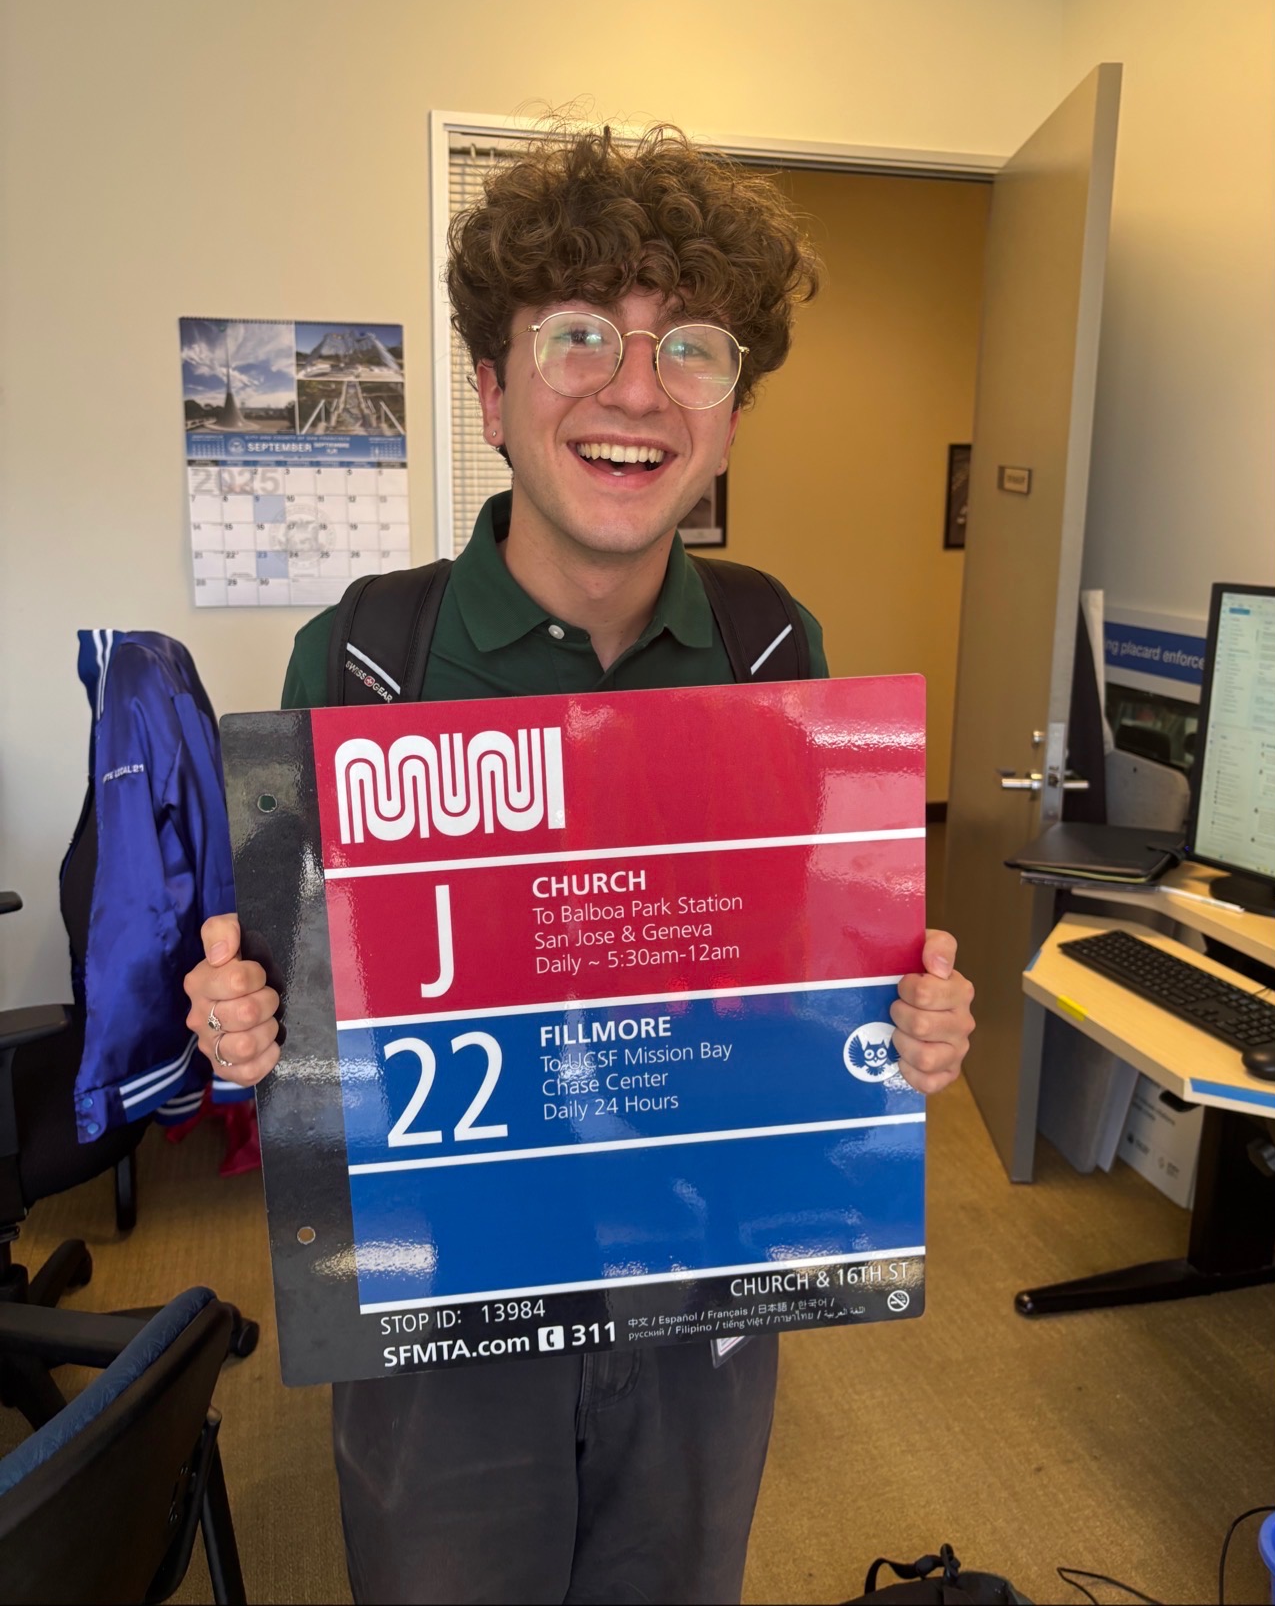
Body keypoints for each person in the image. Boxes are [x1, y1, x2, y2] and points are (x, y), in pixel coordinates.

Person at [184, 126, 975, 1606]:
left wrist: (900, 1029)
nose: (634, 386)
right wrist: (244, 1027)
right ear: (491, 389)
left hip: (699, 1287)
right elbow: (296, 1049)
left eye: (692, 345)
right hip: (446, 1295)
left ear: (732, 413)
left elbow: (813, 994)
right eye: (575, 337)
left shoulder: (773, 645)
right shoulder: (368, 654)